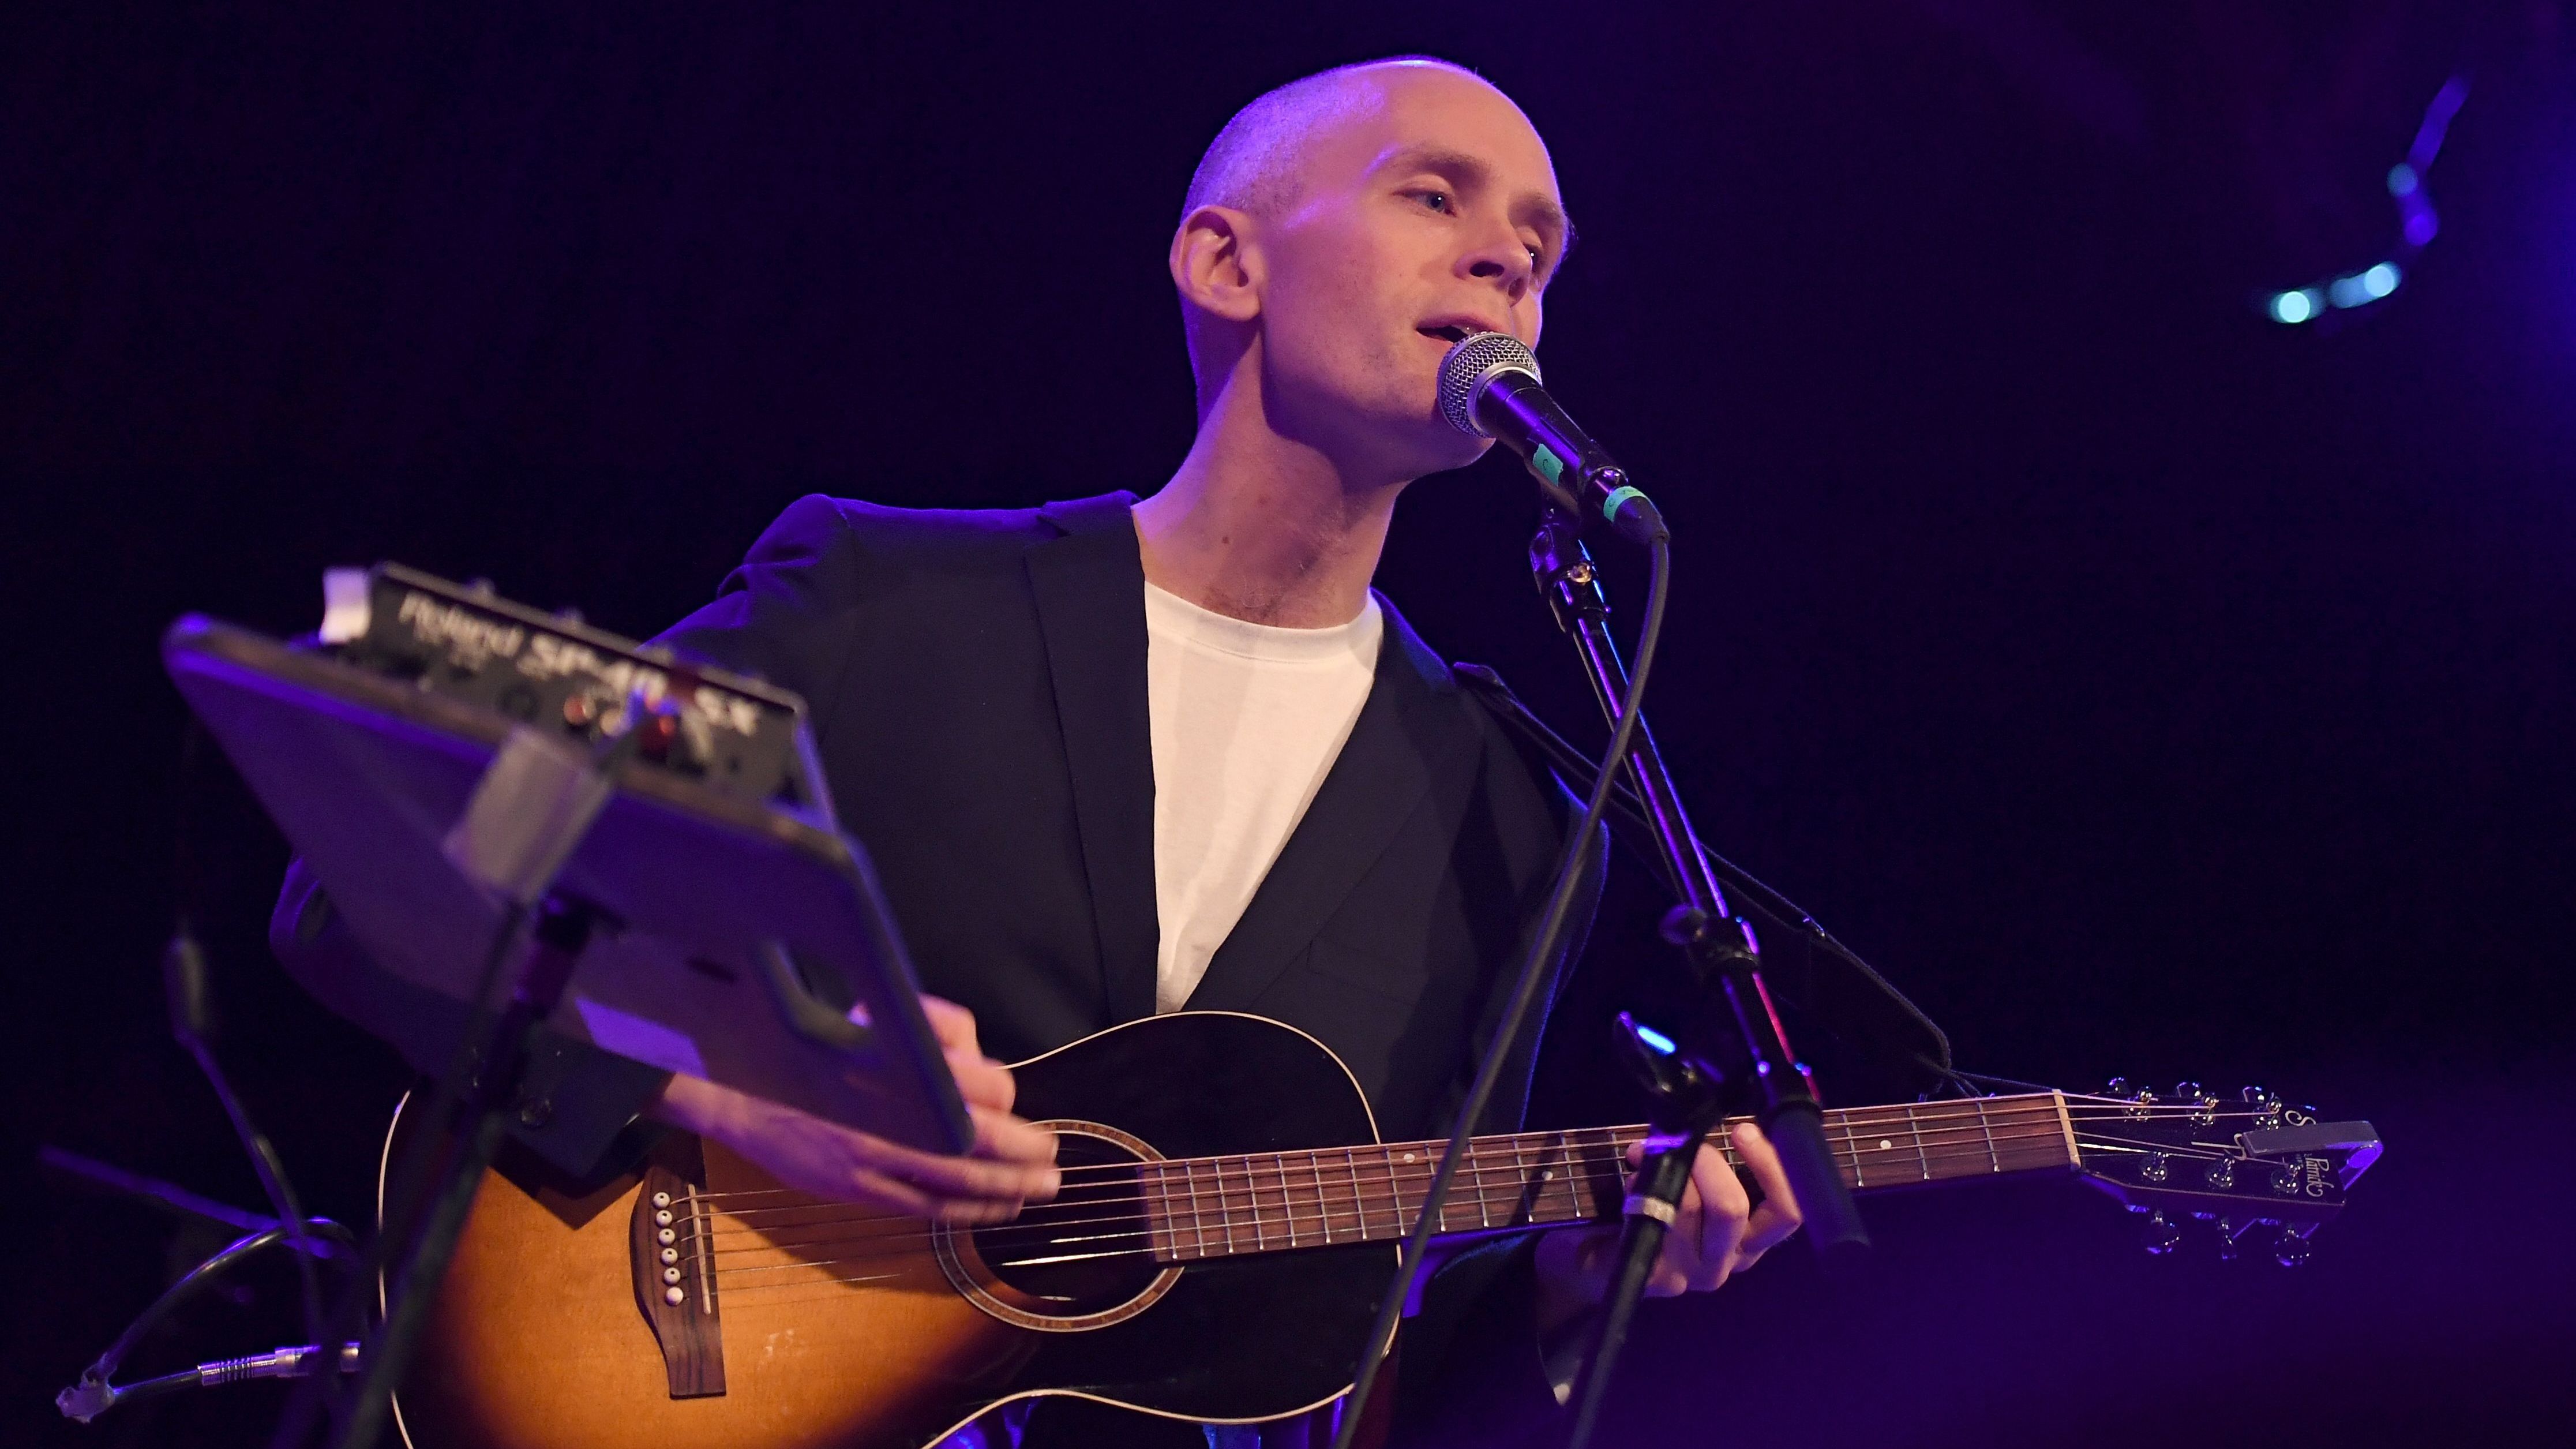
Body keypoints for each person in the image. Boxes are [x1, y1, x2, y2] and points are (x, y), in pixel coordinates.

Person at [274, 55, 1800, 1448]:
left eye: (1541, 245)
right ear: (1225, 260)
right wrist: (720, 1094)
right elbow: (381, 874)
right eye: (1433, 196)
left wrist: (1566, 1285)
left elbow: (1357, 1336)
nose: (1508, 258)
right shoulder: (877, 601)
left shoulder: (1519, 823)